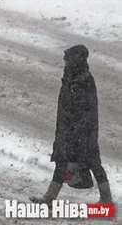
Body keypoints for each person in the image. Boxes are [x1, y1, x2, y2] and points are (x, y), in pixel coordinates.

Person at [30, 45, 112, 205]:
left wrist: (76, 131)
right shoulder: (72, 77)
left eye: (67, 59)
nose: (65, 63)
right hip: (69, 129)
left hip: (82, 131)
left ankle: (106, 199)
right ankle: (49, 198)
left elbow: (83, 110)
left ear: (75, 60)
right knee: (62, 161)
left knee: (93, 162)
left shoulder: (83, 80)